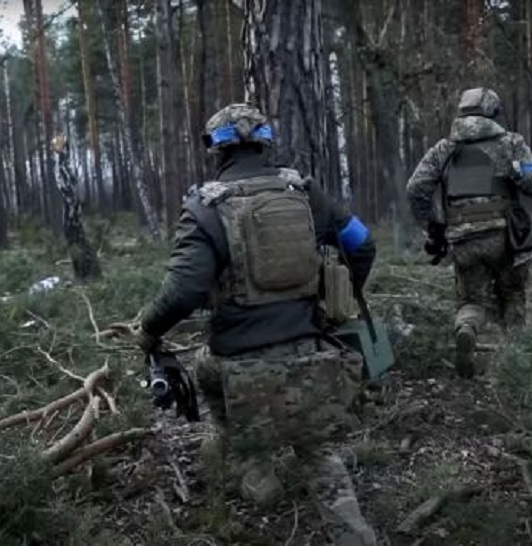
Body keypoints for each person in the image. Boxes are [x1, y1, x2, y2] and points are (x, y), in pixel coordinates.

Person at [135, 103, 378, 545]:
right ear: (265, 140)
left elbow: (185, 291)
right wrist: (330, 301)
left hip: (237, 365)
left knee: (207, 373)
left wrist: (149, 331)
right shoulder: (306, 193)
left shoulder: (204, 208)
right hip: (312, 354)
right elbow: (362, 244)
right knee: (319, 452)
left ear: (215, 149)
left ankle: (253, 468)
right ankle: (354, 536)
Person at [406, 87, 532, 378]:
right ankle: (519, 364)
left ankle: (466, 330)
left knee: (471, 302)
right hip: (506, 239)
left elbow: (416, 188)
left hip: (463, 239)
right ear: (493, 112)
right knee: (512, 295)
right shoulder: (509, 144)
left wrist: (433, 227)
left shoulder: (445, 149)